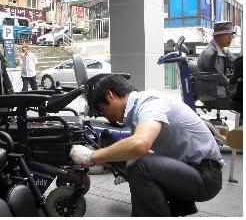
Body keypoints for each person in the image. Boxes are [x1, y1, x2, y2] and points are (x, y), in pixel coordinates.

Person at [70, 75, 223, 217]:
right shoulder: (137, 111)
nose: (106, 115)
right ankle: (174, 207)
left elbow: (140, 144)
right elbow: (129, 148)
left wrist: (91, 156)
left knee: (139, 164)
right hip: (191, 169)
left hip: (206, 176)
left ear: (111, 95)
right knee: (123, 157)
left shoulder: (150, 102)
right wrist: (108, 156)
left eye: (103, 109)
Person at [198, 21, 236, 88]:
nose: (230, 38)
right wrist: (232, 85)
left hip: (219, 89)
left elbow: (235, 63)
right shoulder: (210, 54)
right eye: (227, 35)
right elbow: (219, 77)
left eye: (231, 35)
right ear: (217, 36)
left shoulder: (223, 49)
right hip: (212, 93)